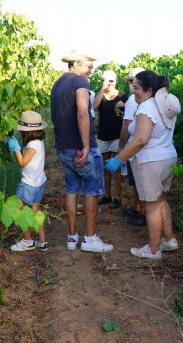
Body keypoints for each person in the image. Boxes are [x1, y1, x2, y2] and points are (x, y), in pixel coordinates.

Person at [105, 70, 181, 259]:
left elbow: (140, 139)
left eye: (136, 87)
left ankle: (153, 249)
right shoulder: (162, 105)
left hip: (150, 162)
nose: (132, 91)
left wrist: (119, 158)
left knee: (152, 205)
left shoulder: (147, 108)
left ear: (149, 90)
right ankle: (169, 240)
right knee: (160, 199)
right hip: (166, 157)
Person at [50, 51, 114, 253]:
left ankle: (72, 237)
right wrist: (86, 146)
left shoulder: (58, 84)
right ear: (76, 64)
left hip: (63, 146)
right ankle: (89, 239)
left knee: (71, 189)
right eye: (89, 66)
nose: (91, 71)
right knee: (92, 190)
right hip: (80, 147)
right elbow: (82, 112)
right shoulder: (81, 83)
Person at [7, 111, 48, 252]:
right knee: (36, 211)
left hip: (28, 184)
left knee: (18, 210)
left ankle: (27, 241)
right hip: (39, 182)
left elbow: (22, 162)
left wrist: (17, 149)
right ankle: (42, 242)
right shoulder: (39, 142)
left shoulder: (32, 146)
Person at [93, 69, 128, 209]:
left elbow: (127, 114)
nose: (109, 84)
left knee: (117, 168)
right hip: (103, 136)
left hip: (117, 136)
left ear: (116, 81)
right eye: (107, 81)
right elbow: (94, 106)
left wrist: (123, 107)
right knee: (105, 167)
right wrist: (102, 89)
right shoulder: (100, 96)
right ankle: (107, 195)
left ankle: (117, 197)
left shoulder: (122, 96)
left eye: (112, 81)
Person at [119, 67, 147, 226]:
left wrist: (121, 147)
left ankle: (141, 212)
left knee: (137, 182)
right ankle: (138, 209)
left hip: (134, 147)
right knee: (137, 182)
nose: (131, 84)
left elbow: (126, 125)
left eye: (133, 81)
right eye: (129, 81)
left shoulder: (132, 100)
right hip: (140, 148)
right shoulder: (145, 99)